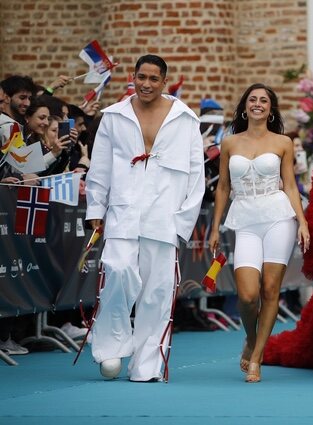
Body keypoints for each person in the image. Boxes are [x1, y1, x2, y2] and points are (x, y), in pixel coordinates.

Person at [85, 54, 205, 382]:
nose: (146, 84)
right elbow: (101, 166)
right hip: (123, 211)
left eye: (154, 79)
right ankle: (110, 348)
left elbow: (197, 175)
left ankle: (147, 364)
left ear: (164, 82)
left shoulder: (185, 119)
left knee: (158, 290)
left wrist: (182, 221)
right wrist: (97, 209)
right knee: (117, 272)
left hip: (164, 217)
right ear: (133, 78)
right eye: (141, 77)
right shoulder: (114, 116)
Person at [208, 83, 309, 383]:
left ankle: (256, 357)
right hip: (245, 218)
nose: (257, 104)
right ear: (244, 106)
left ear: (270, 108)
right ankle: (251, 339)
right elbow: (223, 187)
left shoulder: (283, 142)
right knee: (248, 295)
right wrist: (215, 226)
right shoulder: (229, 143)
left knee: (270, 289)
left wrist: (302, 221)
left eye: (264, 100)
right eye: (252, 99)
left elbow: (290, 185)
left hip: (278, 216)